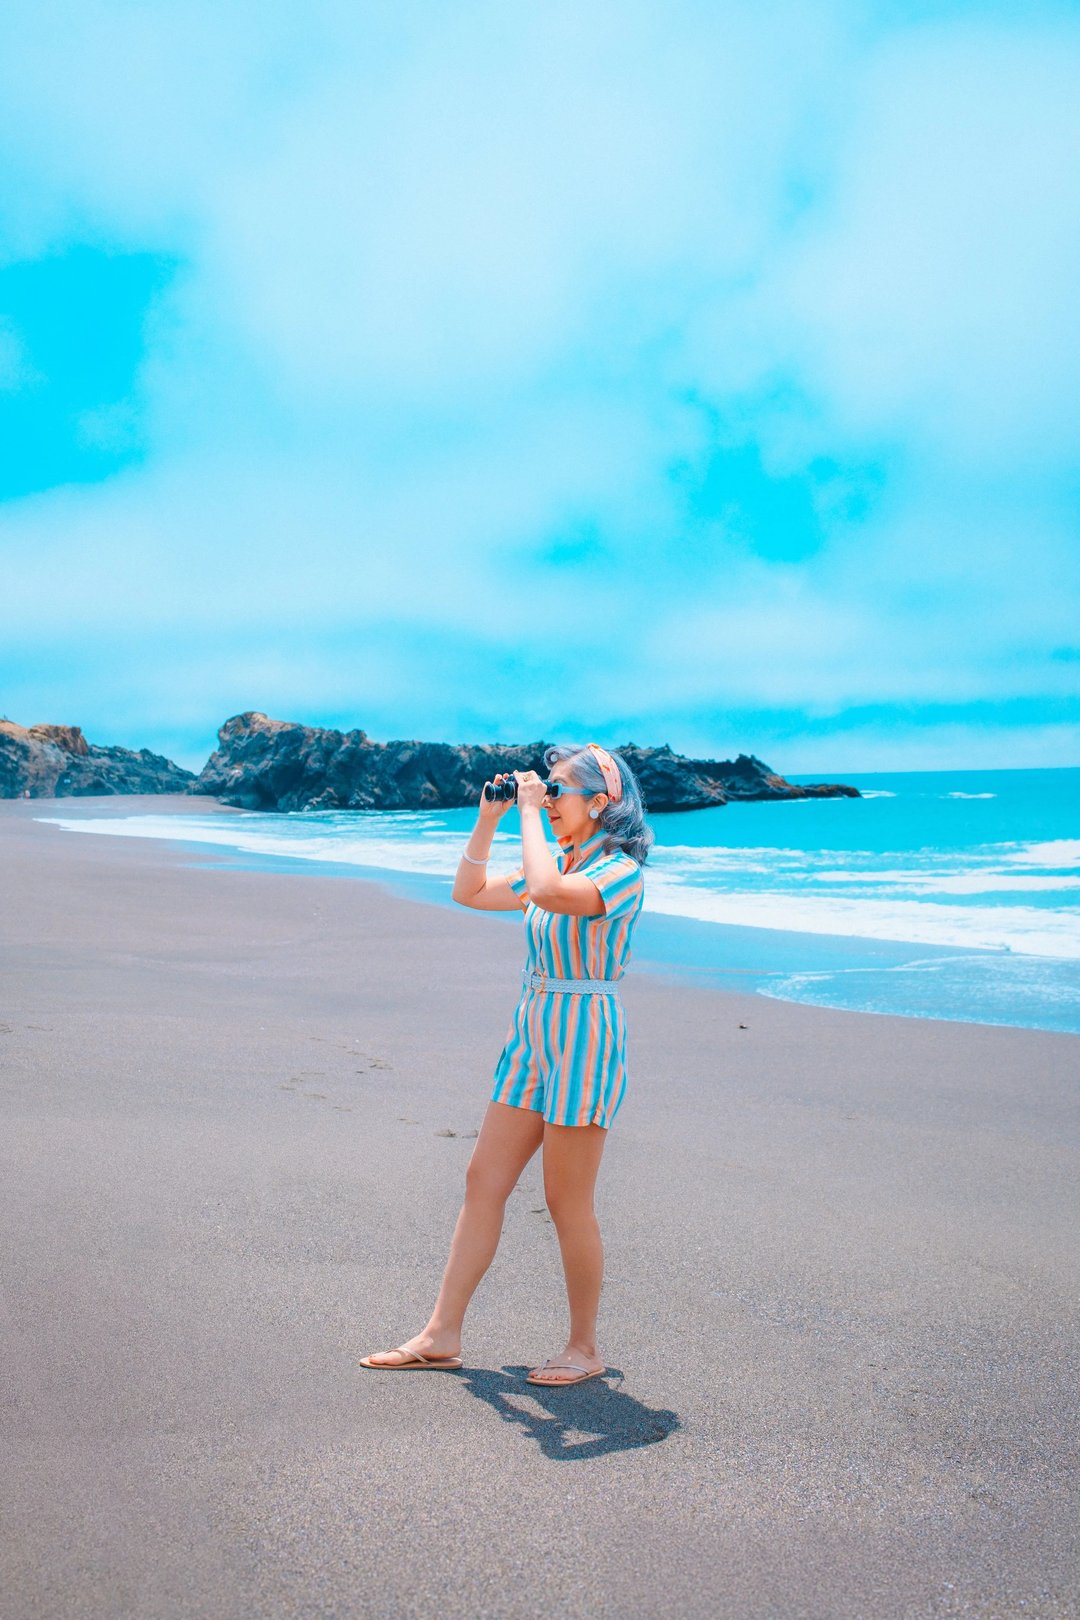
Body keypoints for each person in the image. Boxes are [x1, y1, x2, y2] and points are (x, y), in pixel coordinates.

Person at [359, 742, 653, 1386]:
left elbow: (546, 890)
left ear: (599, 803)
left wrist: (525, 812)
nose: (548, 803)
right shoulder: (562, 858)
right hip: (532, 1033)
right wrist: (491, 817)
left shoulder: (617, 873)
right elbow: (467, 891)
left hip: (584, 1036)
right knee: (482, 1179)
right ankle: (441, 1333)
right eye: (544, 792)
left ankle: (583, 1348)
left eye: (557, 793)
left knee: (565, 1200)